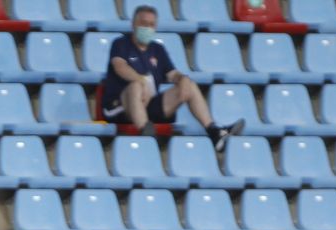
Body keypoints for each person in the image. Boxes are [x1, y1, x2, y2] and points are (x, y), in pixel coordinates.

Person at [101, 5, 242, 146]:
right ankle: (147, 134)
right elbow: (119, 66)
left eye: (151, 25)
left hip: (148, 105)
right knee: (136, 86)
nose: (147, 28)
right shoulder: (121, 43)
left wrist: (181, 79)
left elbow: (172, 74)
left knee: (189, 85)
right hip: (120, 106)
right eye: (143, 24)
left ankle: (214, 131)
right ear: (133, 24)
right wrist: (141, 80)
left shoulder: (158, 49)